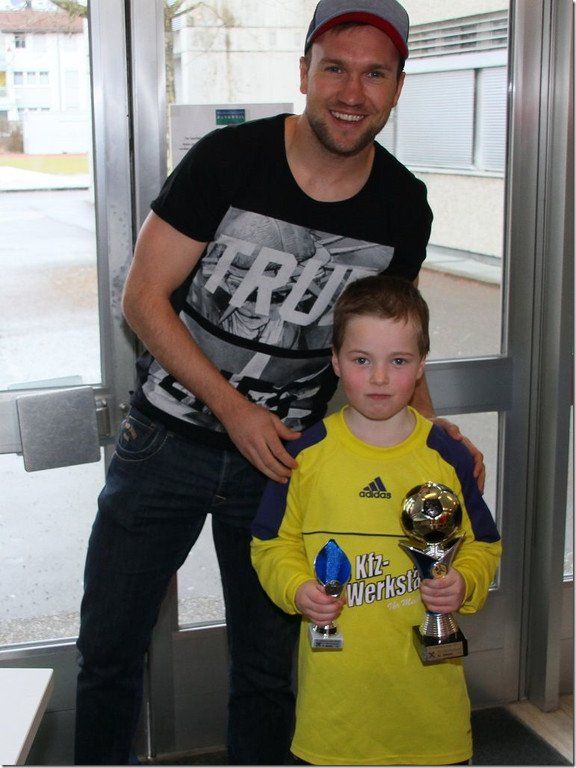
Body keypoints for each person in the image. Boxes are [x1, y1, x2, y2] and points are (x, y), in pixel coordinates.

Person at [74, 0, 485, 764]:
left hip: (284, 466)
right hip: (164, 447)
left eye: (375, 74)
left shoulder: (402, 205)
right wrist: (233, 410)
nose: (352, 93)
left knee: (267, 673)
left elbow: (390, 334)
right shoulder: (229, 161)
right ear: (304, 72)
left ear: (397, 87)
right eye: (335, 68)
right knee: (109, 651)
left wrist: (430, 441)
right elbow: (142, 297)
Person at [251, 275, 502, 766]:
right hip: (335, 725)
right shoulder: (306, 456)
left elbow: (484, 545)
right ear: (335, 361)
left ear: (422, 365)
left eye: (399, 361)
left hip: (432, 725)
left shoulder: (447, 456)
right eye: (362, 360)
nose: (380, 378)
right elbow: (269, 543)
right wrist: (297, 588)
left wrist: (464, 583)